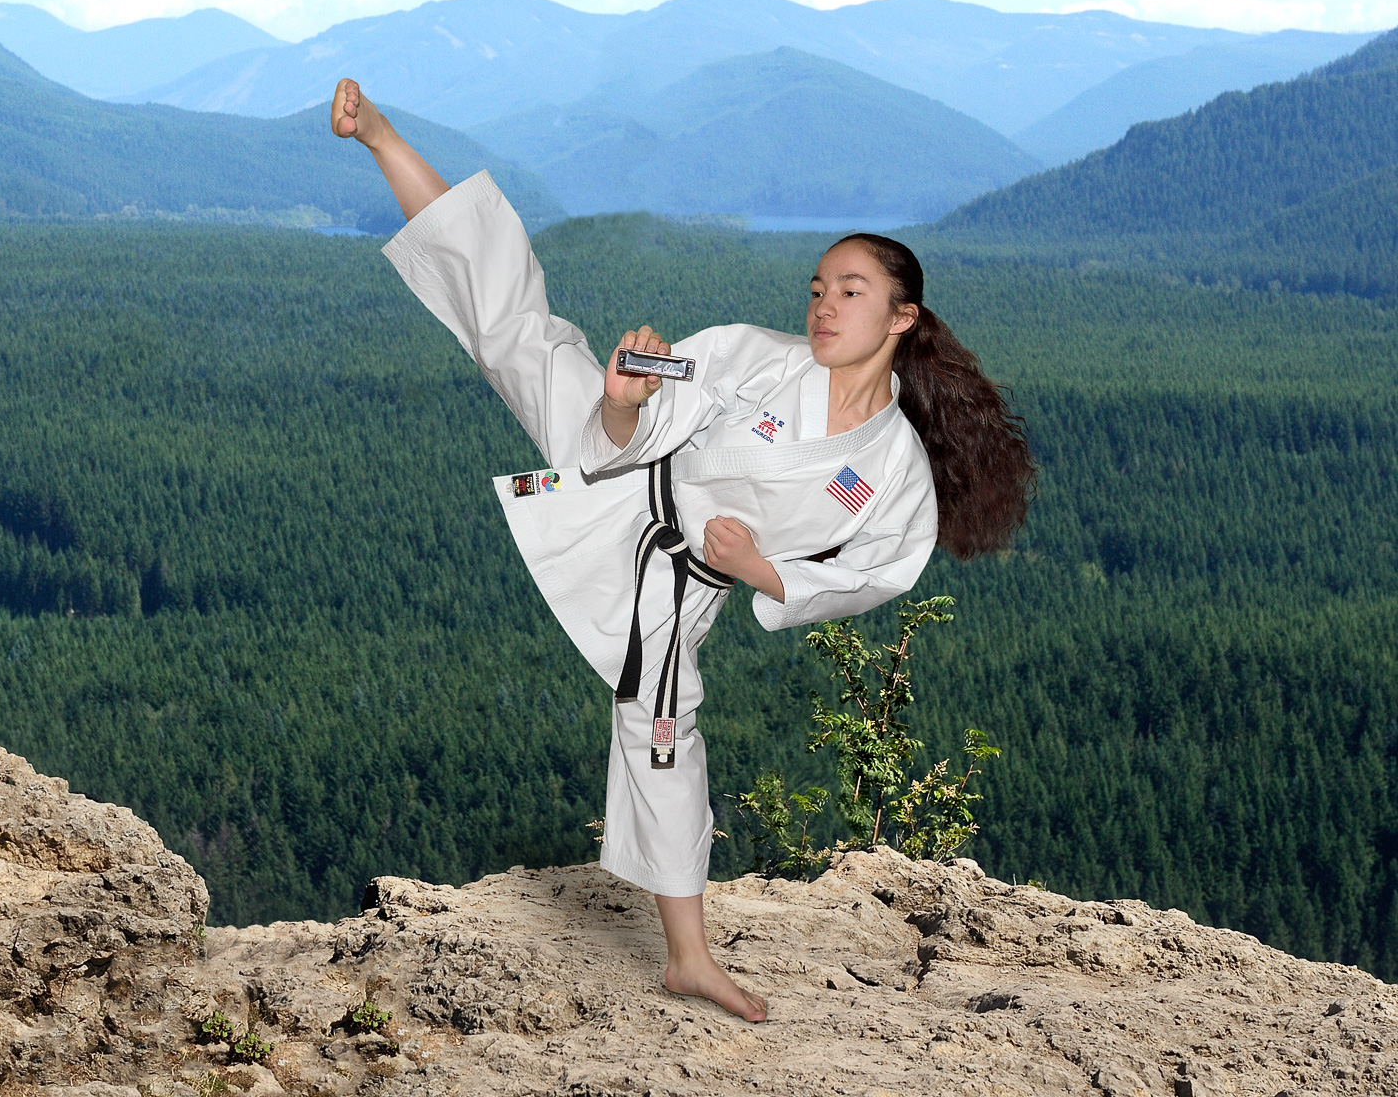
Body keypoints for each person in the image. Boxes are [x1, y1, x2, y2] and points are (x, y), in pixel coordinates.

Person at [330, 79, 1035, 1023]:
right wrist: (622, 397)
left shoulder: (894, 465)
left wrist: (763, 573)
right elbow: (649, 408)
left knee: (661, 733)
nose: (824, 306)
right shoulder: (756, 356)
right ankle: (380, 137)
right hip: (622, 473)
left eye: (850, 292)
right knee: (512, 328)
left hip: (679, 577)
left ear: (902, 317)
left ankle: (687, 958)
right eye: (817, 289)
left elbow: (877, 571)